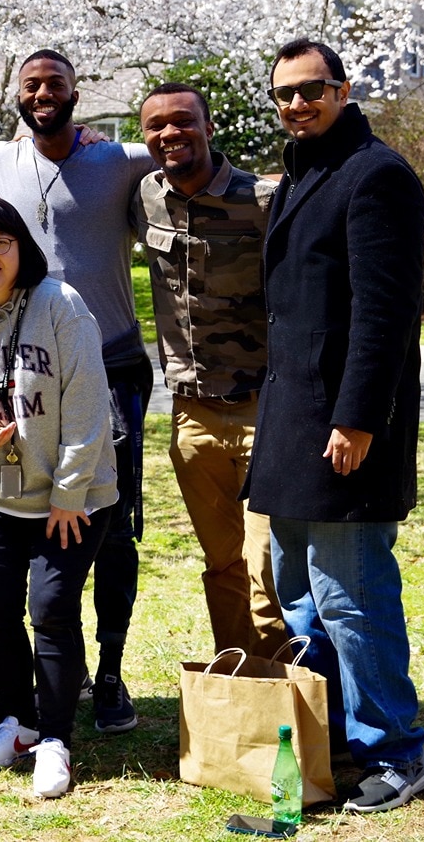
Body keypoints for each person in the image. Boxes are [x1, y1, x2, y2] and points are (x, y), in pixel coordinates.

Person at [246, 38, 424, 814]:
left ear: (343, 88)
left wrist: (357, 416)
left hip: (344, 426)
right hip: (291, 422)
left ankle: (395, 748)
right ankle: (331, 746)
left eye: (310, 90)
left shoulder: (376, 173)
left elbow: (384, 315)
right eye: (283, 93)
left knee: (349, 593)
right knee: (297, 594)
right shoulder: (302, 171)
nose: (296, 103)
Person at [0, 50, 156, 733]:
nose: (43, 93)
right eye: (31, 85)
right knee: (28, 509)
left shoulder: (119, 158)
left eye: (54, 84)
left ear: (77, 92)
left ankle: (108, 672)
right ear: (17, 95)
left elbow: (187, 157)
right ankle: (31, 671)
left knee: (109, 522)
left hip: (112, 362)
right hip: (24, 370)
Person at [0, 196, 116, 799]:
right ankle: (19, 721)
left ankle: (56, 739)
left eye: (0, 243)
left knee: (52, 611)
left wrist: (68, 493)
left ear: (20, 249)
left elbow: (88, 405)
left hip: (72, 498)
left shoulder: (60, 304)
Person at [132, 83, 287, 658]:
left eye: (183, 121)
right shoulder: (144, 195)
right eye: (156, 126)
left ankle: (288, 698)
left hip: (263, 410)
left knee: (268, 568)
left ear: (208, 127)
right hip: (191, 414)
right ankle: (238, 686)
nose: (170, 133)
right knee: (222, 563)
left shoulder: (265, 199)